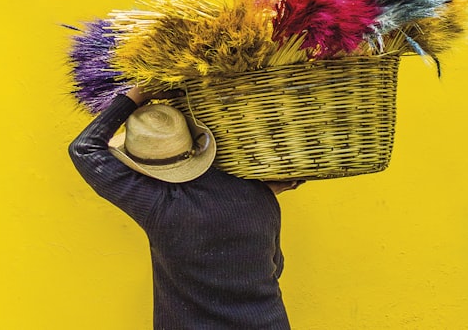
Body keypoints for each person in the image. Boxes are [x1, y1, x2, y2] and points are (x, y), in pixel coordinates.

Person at [69, 86, 302, 330]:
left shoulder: (158, 206)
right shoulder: (260, 195)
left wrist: (137, 95)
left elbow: (83, 149)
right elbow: (275, 267)